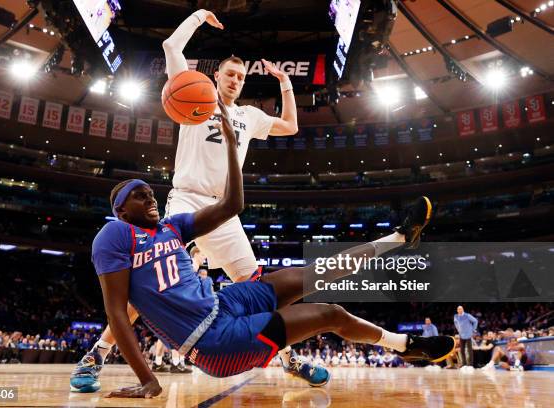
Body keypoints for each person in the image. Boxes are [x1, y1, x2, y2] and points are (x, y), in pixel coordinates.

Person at [91, 100, 455, 398]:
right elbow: (119, 313)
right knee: (330, 313)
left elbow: (231, 205)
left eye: (149, 191)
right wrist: (146, 378)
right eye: (138, 195)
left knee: (315, 274)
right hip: (214, 341)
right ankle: (406, 345)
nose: (149, 195)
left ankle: (398, 238)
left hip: (224, 303)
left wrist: (233, 147)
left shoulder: (173, 226)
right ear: (121, 211)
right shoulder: (115, 236)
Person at [70, 7, 303, 392]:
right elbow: (169, 45)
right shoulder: (195, 94)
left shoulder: (249, 115)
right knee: (149, 274)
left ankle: (290, 357)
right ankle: (96, 354)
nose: (235, 80)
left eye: (241, 77)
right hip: (186, 201)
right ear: (215, 76)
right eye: (230, 73)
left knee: (260, 285)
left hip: (224, 211)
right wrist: (198, 16)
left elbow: (290, 125)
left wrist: (284, 83)